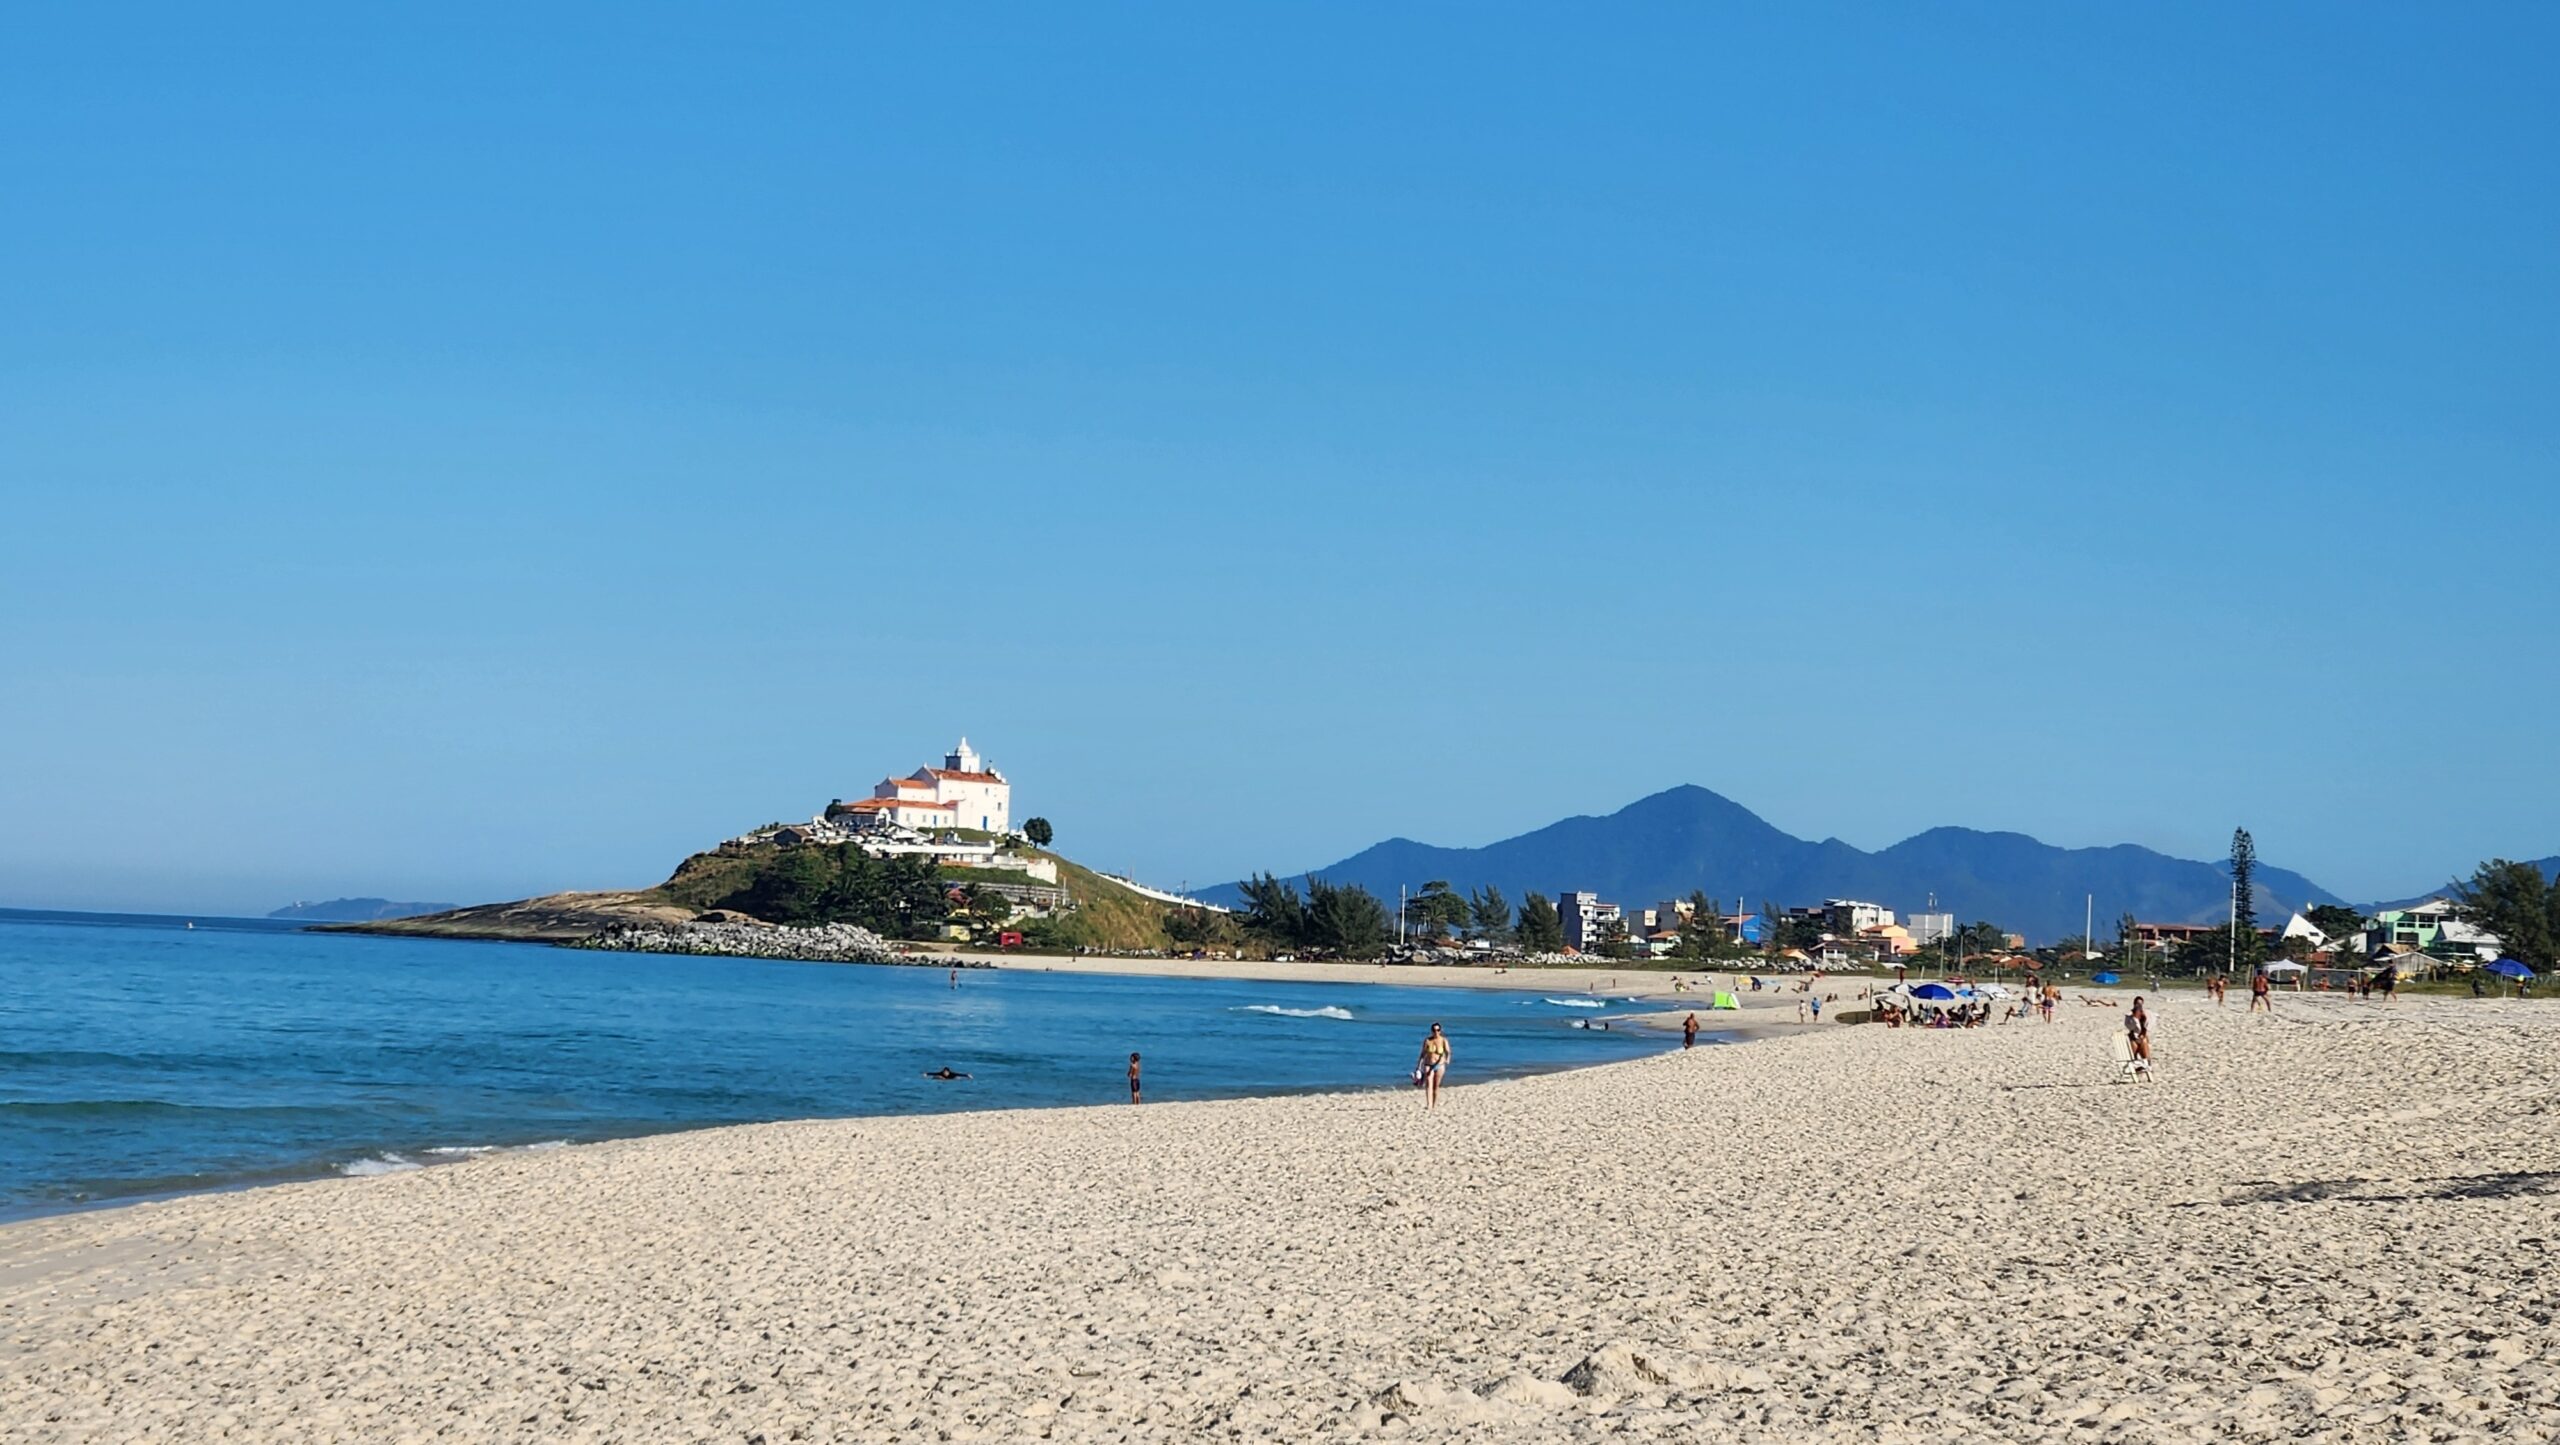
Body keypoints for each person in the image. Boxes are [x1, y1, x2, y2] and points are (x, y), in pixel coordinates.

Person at [1417, 1023, 1451, 1110]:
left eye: (1438, 1030)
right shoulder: (1428, 1040)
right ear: (1431, 1031)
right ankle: (1429, 1104)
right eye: (1434, 1030)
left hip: (1439, 1065)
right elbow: (1423, 1053)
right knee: (1429, 1084)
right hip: (1428, 1064)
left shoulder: (1443, 1040)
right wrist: (1419, 1065)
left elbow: (1448, 1052)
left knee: (1436, 1086)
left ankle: (1434, 1104)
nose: (1436, 1032)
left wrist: (1447, 1059)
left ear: (1440, 1030)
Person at [2125, 997, 2152, 1074]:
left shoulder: (2145, 1014)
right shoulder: (2129, 1015)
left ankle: (2146, 1063)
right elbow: (2130, 1027)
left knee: (2144, 1041)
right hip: (2133, 1036)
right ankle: (2136, 1062)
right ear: (2134, 1004)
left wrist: (2144, 1017)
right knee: (2134, 1044)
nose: (2139, 1005)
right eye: (2137, 1003)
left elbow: (2147, 1027)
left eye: (2140, 1003)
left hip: (2142, 1036)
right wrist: (2135, 1018)